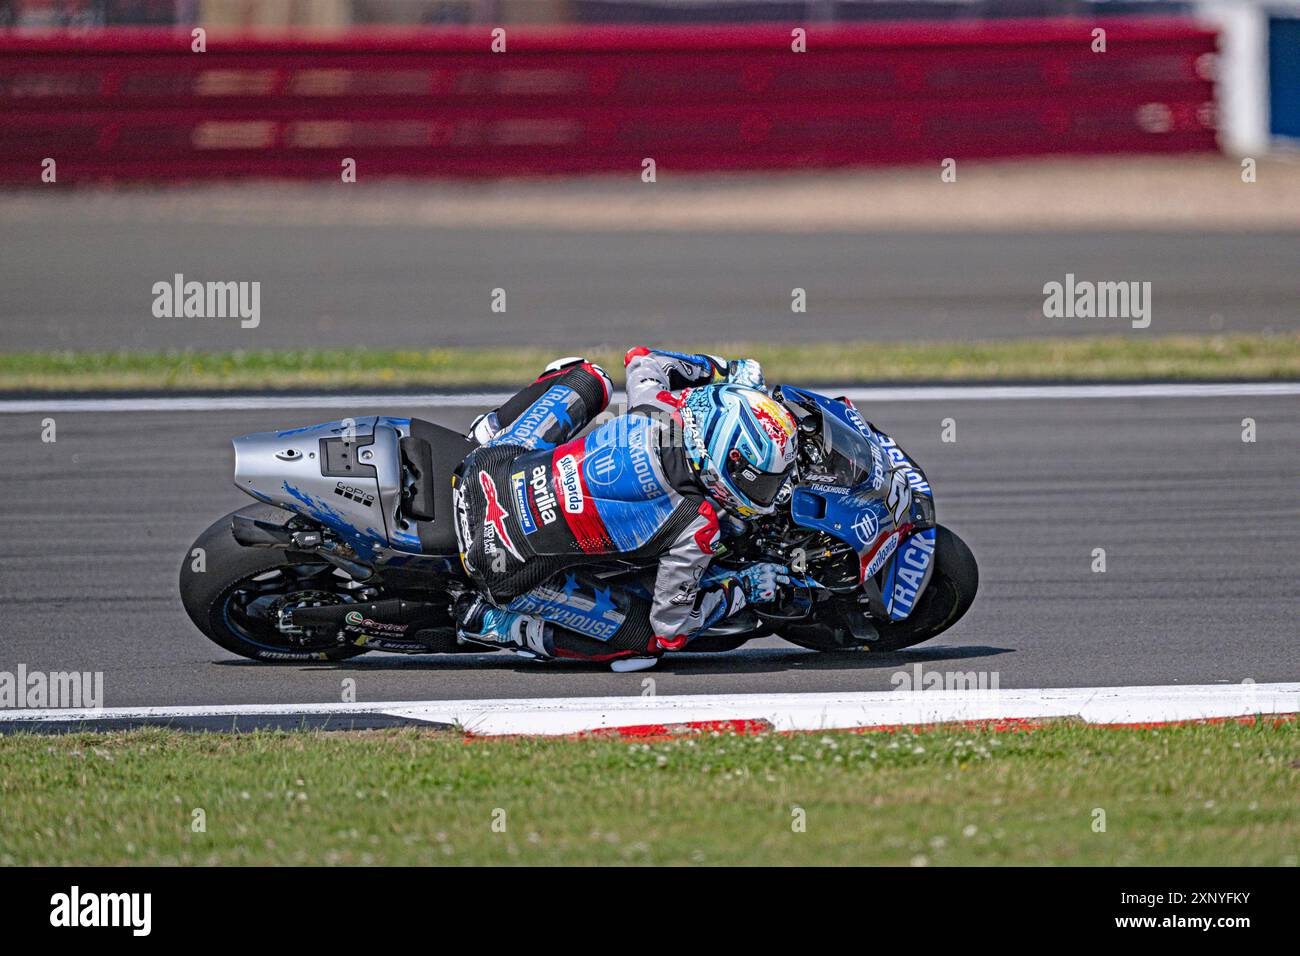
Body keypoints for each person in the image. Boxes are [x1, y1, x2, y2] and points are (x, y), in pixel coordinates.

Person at [451, 348, 798, 671]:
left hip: (485, 466)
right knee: (645, 643)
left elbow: (641, 359)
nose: (773, 490)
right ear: (727, 462)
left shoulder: (659, 405)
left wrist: (723, 370)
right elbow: (671, 628)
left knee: (591, 376)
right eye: (765, 482)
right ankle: (500, 625)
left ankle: (490, 428)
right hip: (503, 566)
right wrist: (741, 590)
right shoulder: (696, 525)